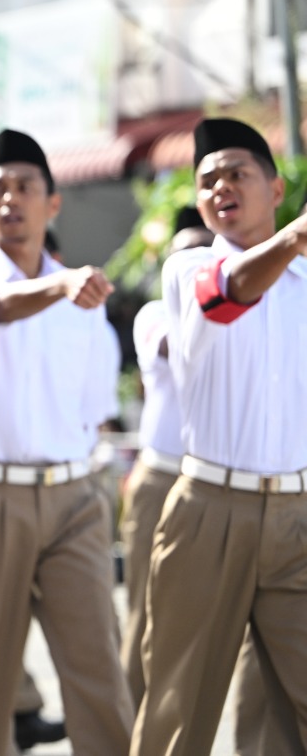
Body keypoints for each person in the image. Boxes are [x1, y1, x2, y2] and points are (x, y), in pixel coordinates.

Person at [0, 129, 134, 756]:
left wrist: (69, 289)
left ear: (53, 204)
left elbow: (95, 407)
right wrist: (59, 287)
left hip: (73, 499)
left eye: (26, 187)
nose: (11, 199)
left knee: (98, 666)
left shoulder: (85, 298)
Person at [132, 118, 307, 755]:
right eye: (209, 180)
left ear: (276, 186)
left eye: (238, 173)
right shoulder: (191, 268)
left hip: (296, 513)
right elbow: (228, 298)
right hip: (209, 510)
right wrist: (292, 241)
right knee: (181, 709)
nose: (221, 186)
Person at [121, 206, 210, 709]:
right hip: (162, 479)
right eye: (183, 257)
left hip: (220, 484)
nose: (192, 267)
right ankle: (134, 725)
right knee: (146, 614)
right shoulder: (155, 315)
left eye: (204, 255)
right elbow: (181, 348)